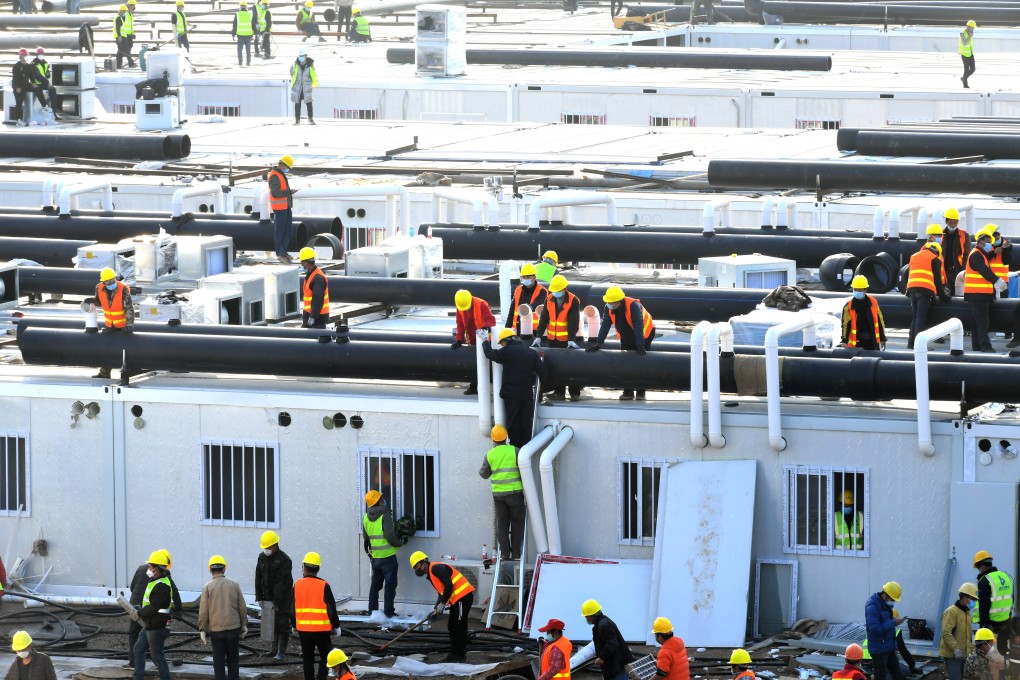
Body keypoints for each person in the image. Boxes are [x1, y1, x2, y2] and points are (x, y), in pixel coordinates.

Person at [587, 286, 655, 401]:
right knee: (626, 362)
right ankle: (628, 392)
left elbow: (639, 326)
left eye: (611, 302)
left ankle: (641, 392)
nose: (608, 304)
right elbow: (605, 325)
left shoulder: (633, 306)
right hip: (626, 334)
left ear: (618, 301)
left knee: (640, 363)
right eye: (608, 302)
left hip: (645, 333)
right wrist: (599, 343)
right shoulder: (608, 307)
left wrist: (640, 345)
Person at [483, 329, 547, 446]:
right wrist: (541, 391)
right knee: (526, 422)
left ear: (507, 340)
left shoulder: (506, 352)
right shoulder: (531, 353)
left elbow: (489, 354)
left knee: (513, 422)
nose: (502, 346)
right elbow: (543, 373)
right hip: (526, 394)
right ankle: (526, 448)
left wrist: (484, 340)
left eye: (502, 343)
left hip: (511, 395)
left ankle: (515, 447)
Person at [410, 551, 475, 662]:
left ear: (424, 562)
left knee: (459, 626)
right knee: (452, 626)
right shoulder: (431, 574)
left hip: (463, 598)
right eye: (414, 568)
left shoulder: (436, 568)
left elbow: (449, 585)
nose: (416, 569)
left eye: (417, 566)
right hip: (457, 600)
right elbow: (442, 592)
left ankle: (460, 656)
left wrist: (443, 604)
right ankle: (454, 654)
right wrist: (437, 608)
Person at [479, 424, 527, 560]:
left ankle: (505, 553)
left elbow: (483, 474)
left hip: (499, 496)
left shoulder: (490, 455)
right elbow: (524, 469)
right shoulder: (515, 451)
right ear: (506, 438)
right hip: (515, 493)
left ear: (493, 439)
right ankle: (516, 554)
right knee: (517, 523)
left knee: (502, 524)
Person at [128, 549, 181, 669]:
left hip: (135, 606)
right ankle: (158, 664)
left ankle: (133, 663)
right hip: (149, 611)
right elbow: (174, 591)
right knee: (155, 636)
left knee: (134, 634)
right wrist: (178, 609)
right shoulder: (163, 573)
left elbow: (132, 587)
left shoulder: (141, 568)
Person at [292, 552, 341, 680]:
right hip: (321, 630)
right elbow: (331, 608)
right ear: (318, 568)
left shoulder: (297, 584)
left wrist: (293, 624)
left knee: (307, 658)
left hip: (303, 630)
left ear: (304, 567)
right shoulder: (324, 585)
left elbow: (291, 608)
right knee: (326, 656)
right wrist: (336, 625)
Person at [533, 274, 582, 402]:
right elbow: (544, 318)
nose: (555, 293)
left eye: (557, 291)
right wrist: (539, 336)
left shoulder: (573, 300)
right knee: (555, 367)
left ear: (564, 289)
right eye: (553, 291)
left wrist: (571, 339)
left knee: (570, 367)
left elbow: (573, 321)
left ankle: (574, 393)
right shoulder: (549, 299)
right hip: (552, 339)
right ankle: (559, 392)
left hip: (566, 341)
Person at [199, 555, 248, 680]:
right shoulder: (234, 585)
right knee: (233, 660)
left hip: (216, 630)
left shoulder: (207, 587)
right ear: (224, 569)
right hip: (233, 629)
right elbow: (242, 607)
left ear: (210, 570)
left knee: (218, 662)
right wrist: (244, 624)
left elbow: (204, 611)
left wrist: (202, 629)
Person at [362, 490, 403, 621]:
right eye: (381, 498)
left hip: (375, 558)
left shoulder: (365, 517)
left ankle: (372, 612)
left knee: (375, 585)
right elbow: (390, 536)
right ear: (378, 501)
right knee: (390, 585)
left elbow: (366, 538)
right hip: (388, 557)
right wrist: (400, 542)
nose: (383, 499)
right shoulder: (385, 515)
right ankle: (389, 612)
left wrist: (371, 554)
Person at [906, 231, 950, 349]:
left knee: (915, 317)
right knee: (921, 317)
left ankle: (911, 343)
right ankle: (919, 346)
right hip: (924, 291)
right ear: (937, 251)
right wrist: (943, 296)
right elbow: (937, 281)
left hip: (911, 290)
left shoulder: (914, 256)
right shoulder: (934, 259)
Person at [965, 228, 1005, 352]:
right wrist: (997, 281)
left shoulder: (979, 254)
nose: (990, 245)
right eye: (988, 242)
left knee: (977, 321)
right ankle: (985, 346)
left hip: (978, 294)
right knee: (983, 321)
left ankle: (977, 345)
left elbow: (986, 259)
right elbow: (984, 270)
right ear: (980, 241)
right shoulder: (976, 254)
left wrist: (995, 252)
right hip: (978, 294)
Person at [256, 530, 293, 661]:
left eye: (269, 546)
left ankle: (281, 651)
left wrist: (276, 602)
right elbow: (258, 577)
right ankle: (273, 649)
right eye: (265, 547)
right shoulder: (261, 557)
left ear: (275, 545)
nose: (266, 549)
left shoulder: (285, 560)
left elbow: (281, 583)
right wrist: (259, 597)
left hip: (283, 599)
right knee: (271, 623)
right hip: (268, 598)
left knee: (282, 624)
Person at [452, 289, 496, 396]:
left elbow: (491, 320)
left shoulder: (481, 304)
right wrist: (459, 339)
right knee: (474, 364)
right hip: (472, 340)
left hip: (485, 340)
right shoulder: (460, 307)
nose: (465, 309)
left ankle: (490, 386)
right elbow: (460, 324)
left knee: (487, 364)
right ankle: (473, 386)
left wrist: (486, 327)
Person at [93, 267, 133, 379]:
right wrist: (91, 301)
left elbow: (129, 308)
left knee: (125, 349)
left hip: (123, 326)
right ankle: (104, 373)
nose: (111, 283)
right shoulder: (99, 288)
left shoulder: (123, 289)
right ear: (103, 282)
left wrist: (129, 325)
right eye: (108, 282)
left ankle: (127, 373)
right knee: (107, 349)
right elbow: (98, 302)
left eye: (112, 280)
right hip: (109, 326)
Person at [974, 550, 1015, 654]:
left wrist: (983, 626)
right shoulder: (1007, 576)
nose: (979, 571)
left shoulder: (985, 580)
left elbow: (984, 605)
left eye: (978, 568)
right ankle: (1005, 659)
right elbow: (1011, 599)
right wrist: (1009, 616)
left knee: (984, 650)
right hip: (1005, 620)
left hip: (991, 623)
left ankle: (985, 662)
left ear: (982, 566)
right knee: (1003, 650)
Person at [583, 600, 634, 680]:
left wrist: (602, 657)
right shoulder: (602, 622)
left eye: (586, 616)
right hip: (615, 664)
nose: (586, 619)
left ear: (592, 615)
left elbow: (612, 644)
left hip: (617, 665)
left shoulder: (603, 625)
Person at [865, 581, 906, 680]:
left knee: (898, 675)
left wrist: (895, 621)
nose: (893, 601)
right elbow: (874, 629)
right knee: (881, 677)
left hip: (889, 646)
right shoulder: (872, 607)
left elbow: (885, 621)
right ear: (885, 595)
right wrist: (894, 622)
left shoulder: (886, 605)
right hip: (879, 649)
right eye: (893, 599)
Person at [941, 583, 978, 680]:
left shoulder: (967, 613)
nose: (974, 602)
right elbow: (946, 633)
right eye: (973, 599)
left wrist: (970, 650)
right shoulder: (951, 612)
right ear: (964, 597)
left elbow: (968, 634)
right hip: (952, 655)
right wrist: (955, 648)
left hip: (964, 655)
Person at [840, 275, 886, 350]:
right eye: (855, 289)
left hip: (872, 342)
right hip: (856, 344)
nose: (857, 292)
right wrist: (844, 341)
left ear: (865, 290)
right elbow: (845, 325)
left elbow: (879, 320)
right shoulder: (849, 306)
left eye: (860, 290)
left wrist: (882, 338)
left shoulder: (873, 302)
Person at [267, 155, 297, 263]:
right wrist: (289, 192)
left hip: (285, 206)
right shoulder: (274, 176)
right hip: (280, 208)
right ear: (282, 164)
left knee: (288, 230)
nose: (287, 169)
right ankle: (280, 253)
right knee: (280, 231)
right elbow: (276, 193)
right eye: (287, 166)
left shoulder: (280, 174)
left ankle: (283, 252)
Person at [506, 263, 548, 337]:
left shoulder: (542, 291)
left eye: (528, 276)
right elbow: (512, 310)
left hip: (534, 332)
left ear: (534, 277)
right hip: (517, 330)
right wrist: (507, 329)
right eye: (524, 276)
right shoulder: (518, 290)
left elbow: (535, 307)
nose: (525, 278)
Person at [299, 247, 329, 328]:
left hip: (317, 319)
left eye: (301, 262)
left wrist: (313, 317)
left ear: (306, 262)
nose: (301, 264)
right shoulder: (311, 274)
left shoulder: (317, 277)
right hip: (311, 316)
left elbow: (318, 299)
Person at [11, 49, 42, 127]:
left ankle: (44, 105)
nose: (26, 57)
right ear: (20, 56)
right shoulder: (17, 66)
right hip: (18, 86)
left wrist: (33, 83)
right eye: (25, 55)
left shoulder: (28, 66)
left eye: (26, 55)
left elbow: (32, 75)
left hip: (26, 84)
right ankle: (19, 120)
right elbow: (15, 78)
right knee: (19, 103)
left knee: (38, 89)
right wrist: (17, 87)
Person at [943, 208, 969, 295]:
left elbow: (967, 254)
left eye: (955, 222)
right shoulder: (940, 234)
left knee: (958, 294)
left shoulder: (964, 235)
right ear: (946, 222)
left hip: (957, 270)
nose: (953, 225)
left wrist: (963, 271)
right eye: (951, 222)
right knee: (945, 293)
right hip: (943, 270)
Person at [291, 48, 317, 125]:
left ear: (305, 56)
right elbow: (291, 72)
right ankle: (297, 120)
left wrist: (311, 82)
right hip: (298, 87)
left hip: (306, 87)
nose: (301, 57)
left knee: (309, 103)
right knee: (297, 103)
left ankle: (310, 119)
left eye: (302, 56)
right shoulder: (295, 64)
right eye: (300, 56)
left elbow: (313, 74)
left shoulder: (310, 64)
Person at [30, 48, 57, 118]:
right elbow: (37, 76)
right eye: (39, 54)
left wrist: (48, 73)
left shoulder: (45, 63)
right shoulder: (33, 64)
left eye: (42, 54)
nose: (41, 55)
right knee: (40, 90)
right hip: (36, 84)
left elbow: (47, 75)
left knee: (53, 90)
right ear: (36, 55)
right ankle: (45, 107)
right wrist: (47, 82)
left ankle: (54, 112)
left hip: (44, 83)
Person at [231, 1, 256, 66]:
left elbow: (234, 25)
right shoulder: (250, 14)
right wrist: (256, 33)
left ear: (240, 7)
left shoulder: (237, 14)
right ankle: (248, 62)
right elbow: (253, 25)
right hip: (248, 35)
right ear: (246, 6)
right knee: (248, 50)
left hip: (240, 35)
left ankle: (240, 62)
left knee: (239, 50)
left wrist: (233, 34)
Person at [114, 2, 136, 69]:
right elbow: (117, 28)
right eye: (123, 11)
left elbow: (130, 26)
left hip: (124, 36)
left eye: (124, 11)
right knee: (126, 50)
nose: (124, 13)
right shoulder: (119, 18)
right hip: (121, 36)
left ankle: (118, 65)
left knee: (120, 51)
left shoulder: (122, 17)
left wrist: (132, 33)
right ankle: (131, 63)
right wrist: (119, 36)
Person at [960, 20, 976, 89]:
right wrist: (969, 36)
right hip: (964, 54)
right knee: (966, 70)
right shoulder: (962, 33)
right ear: (968, 26)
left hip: (970, 53)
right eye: (971, 28)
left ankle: (963, 78)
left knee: (973, 69)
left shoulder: (970, 33)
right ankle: (965, 84)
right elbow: (964, 43)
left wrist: (970, 35)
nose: (972, 29)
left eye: (973, 28)